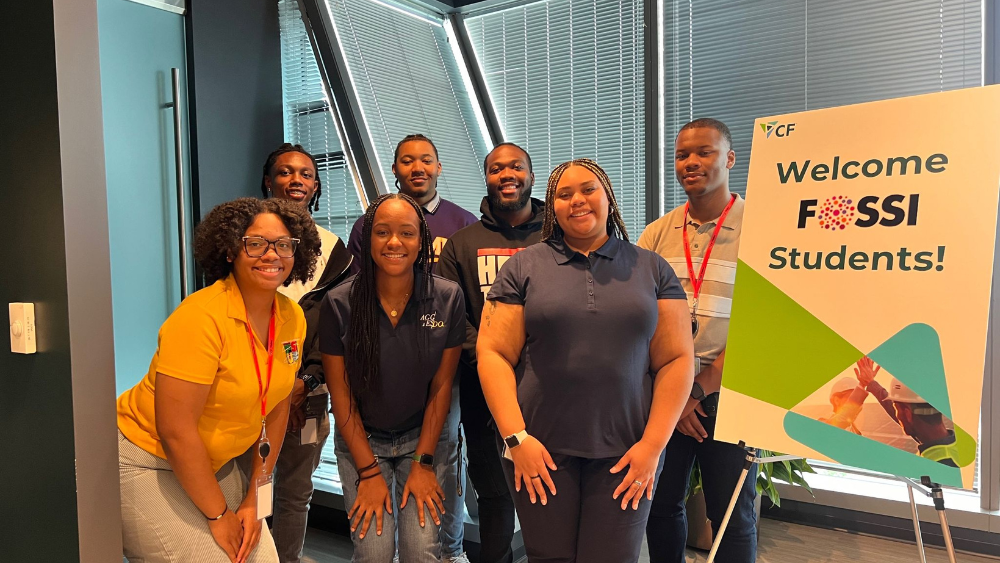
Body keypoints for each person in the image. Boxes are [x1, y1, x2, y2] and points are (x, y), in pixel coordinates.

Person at [477, 158, 694, 562]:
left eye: (588, 189)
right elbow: (492, 354)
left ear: (607, 197)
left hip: (628, 453)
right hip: (537, 449)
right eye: (564, 194)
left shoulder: (651, 268)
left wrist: (653, 447)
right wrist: (516, 439)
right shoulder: (523, 267)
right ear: (553, 207)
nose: (577, 200)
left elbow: (677, 360)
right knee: (548, 557)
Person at [117, 197, 321, 563]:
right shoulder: (200, 318)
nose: (271, 255)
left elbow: (276, 406)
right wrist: (218, 514)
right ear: (231, 251)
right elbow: (176, 430)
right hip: (146, 457)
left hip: (216, 463)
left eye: (284, 245)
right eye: (255, 243)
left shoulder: (291, 316)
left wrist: (256, 498)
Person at [348, 134, 476, 562]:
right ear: (395, 169)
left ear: (440, 167)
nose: (417, 167)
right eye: (406, 160)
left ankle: (451, 550)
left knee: (446, 459)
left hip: (442, 365)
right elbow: (352, 293)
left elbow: (470, 297)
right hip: (379, 382)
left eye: (426, 160)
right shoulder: (366, 227)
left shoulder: (462, 223)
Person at [321, 193, 466, 562]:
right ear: (368, 239)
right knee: (374, 554)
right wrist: (368, 471)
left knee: (422, 553)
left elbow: (441, 388)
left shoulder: (447, 297)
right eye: (382, 232)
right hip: (362, 443)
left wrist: (423, 463)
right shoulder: (340, 304)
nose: (395, 242)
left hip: (423, 440)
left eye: (407, 233)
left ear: (422, 242)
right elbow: (341, 397)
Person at [637, 118, 757, 563]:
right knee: (660, 507)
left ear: (728, 158)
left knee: (732, 517)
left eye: (704, 152)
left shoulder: (759, 230)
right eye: (682, 154)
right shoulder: (656, 234)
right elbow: (642, 319)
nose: (690, 162)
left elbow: (759, 328)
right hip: (669, 391)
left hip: (729, 391)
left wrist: (699, 389)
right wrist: (679, 393)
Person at [437, 142, 543, 563]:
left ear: (531, 176)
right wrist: (488, 359)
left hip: (545, 389)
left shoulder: (555, 237)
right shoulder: (462, 243)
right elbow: (449, 312)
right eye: (496, 168)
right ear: (487, 178)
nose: (506, 174)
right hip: (482, 392)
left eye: (515, 166)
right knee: (495, 495)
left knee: (546, 490)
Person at [257, 143, 353, 563]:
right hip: (247, 389)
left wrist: (307, 381)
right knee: (249, 490)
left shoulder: (334, 251)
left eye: (306, 175)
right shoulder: (243, 241)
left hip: (308, 393)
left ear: (315, 188)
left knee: (294, 492)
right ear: (268, 181)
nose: (296, 180)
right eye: (285, 172)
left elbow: (335, 328)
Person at [853, 360, 960, 466]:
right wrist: (871, 383)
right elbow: (911, 418)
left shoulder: (935, 465)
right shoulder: (954, 446)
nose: (897, 415)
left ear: (908, 415)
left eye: (897, 410)